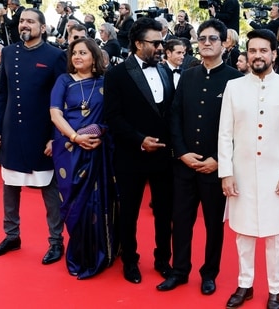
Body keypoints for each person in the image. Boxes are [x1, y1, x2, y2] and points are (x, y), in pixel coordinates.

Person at [156, 19, 243, 295]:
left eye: (213, 39)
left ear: (224, 43)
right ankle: (179, 271)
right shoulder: (188, 76)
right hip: (184, 167)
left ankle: (209, 273)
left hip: (216, 168)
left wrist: (218, 159)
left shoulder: (235, 80)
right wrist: (181, 153)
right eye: (202, 38)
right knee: (180, 221)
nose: (206, 43)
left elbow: (240, 127)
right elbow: (175, 116)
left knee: (213, 225)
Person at [219, 29, 279, 309]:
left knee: (274, 235)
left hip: (275, 175)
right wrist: (226, 172)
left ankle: (275, 290)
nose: (257, 55)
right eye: (252, 50)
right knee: (242, 233)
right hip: (240, 173)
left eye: (263, 50)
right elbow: (224, 133)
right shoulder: (234, 86)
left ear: (274, 54)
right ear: (247, 54)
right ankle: (245, 285)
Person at [0, 8, 67, 265]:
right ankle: (12, 236)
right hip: (11, 130)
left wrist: (55, 137)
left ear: (43, 28)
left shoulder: (55, 56)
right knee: (10, 185)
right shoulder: (8, 53)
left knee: (49, 189)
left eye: (31, 21)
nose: (25, 25)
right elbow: (3, 95)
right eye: (22, 21)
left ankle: (56, 242)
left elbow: (61, 100)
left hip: (42, 133)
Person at [104, 17, 175, 284]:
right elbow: (113, 117)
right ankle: (130, 261)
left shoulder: (166, 71)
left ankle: (162, 259)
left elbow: (169, 112)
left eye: (162, 42)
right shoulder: (116, 74)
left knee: (164, 212)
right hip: (130, 155)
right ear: (137, 43)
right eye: (155, 43)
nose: (160, 47)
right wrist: (139, 139)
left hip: (163, 156)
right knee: (130, 213)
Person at [49, 38, 117, 279]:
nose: (77, 57)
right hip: (68, 149)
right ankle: (77, 253)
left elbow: (112, 114)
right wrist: (76, 137)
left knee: (96, 202)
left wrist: (100, 130)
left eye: (83, 53)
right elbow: (55, 113)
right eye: (74, 53)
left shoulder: (105, 82)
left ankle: (99, 252)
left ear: (94, 57)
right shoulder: (63, 80)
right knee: (72, 203)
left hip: (97, 149)